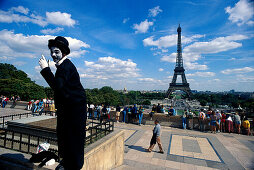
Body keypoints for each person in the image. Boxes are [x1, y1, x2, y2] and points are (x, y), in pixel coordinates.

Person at [39, 36, 86, 170]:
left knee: (72, 138)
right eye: (52, 52)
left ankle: (72, 165)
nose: (53, 54)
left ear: (64, 52)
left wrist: (45, 69)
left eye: (57, 52)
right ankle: (68, 162)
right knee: (67, 137)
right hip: (71, 109)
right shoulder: (64, 66)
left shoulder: (65, 67)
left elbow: (57, 87)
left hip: (73, 111)